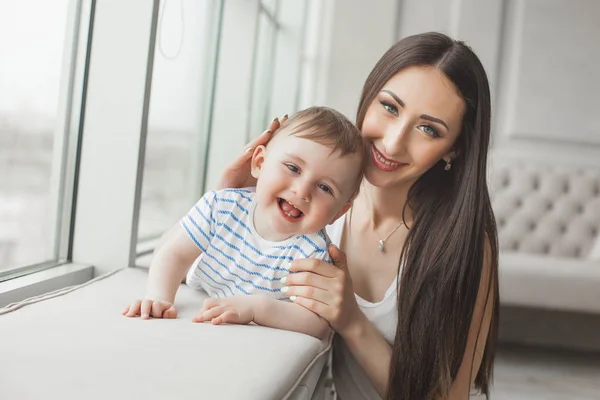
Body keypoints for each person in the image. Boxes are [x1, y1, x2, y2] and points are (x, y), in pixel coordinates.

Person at [219, 32, 499, 400]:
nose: (394, 142)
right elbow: (221, 289)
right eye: (390, 107)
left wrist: (351, 321)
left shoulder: (461, 245)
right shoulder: (314, 196)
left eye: (428, 129)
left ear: (455, 150)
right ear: (368, 99)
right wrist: (226, 203)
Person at [122, 107, 366, 340]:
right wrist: (158, 297)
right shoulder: (222, 204)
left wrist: (257, 309)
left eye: (324, 187)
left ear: (338, 212)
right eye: (293, 168)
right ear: (259, 162)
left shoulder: (311, 252)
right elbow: (173, 254)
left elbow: (317, 323)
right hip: (199, 283)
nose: (302, 191)